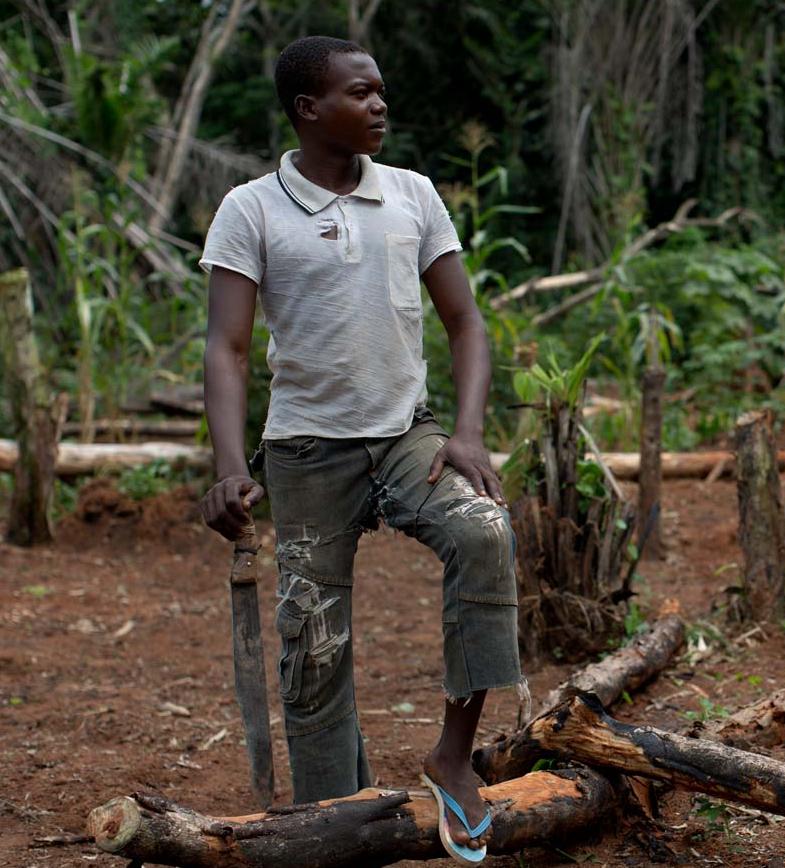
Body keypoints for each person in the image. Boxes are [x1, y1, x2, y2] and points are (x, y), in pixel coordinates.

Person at [197, 35, 518, 862]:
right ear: (309, 109)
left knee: (483, 531)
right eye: (360, 92)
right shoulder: (252, 209)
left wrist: (468, 433)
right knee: (314, 642)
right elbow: (227, 350)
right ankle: (339, 811)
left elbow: (464, 322)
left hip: (406, 437)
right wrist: (230, 466)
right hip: (306, 452)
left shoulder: (411, 195)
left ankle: (453, 754)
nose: (380, 104)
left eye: (382, 90)